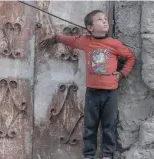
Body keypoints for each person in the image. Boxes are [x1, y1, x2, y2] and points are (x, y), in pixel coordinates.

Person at [40, 10, 135, 159]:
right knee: (90, 126)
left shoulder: (114, 44)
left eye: (105, 19)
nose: (105, 21)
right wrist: (56, 38)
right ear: (90, 27)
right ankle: (89, 155)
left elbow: (130, 57)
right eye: (99, 20)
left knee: (108, 126)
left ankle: (107, 155)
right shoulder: (85, 41)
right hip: (92, 93)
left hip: (110, 93)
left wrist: (122, 73)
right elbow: (70, 40)